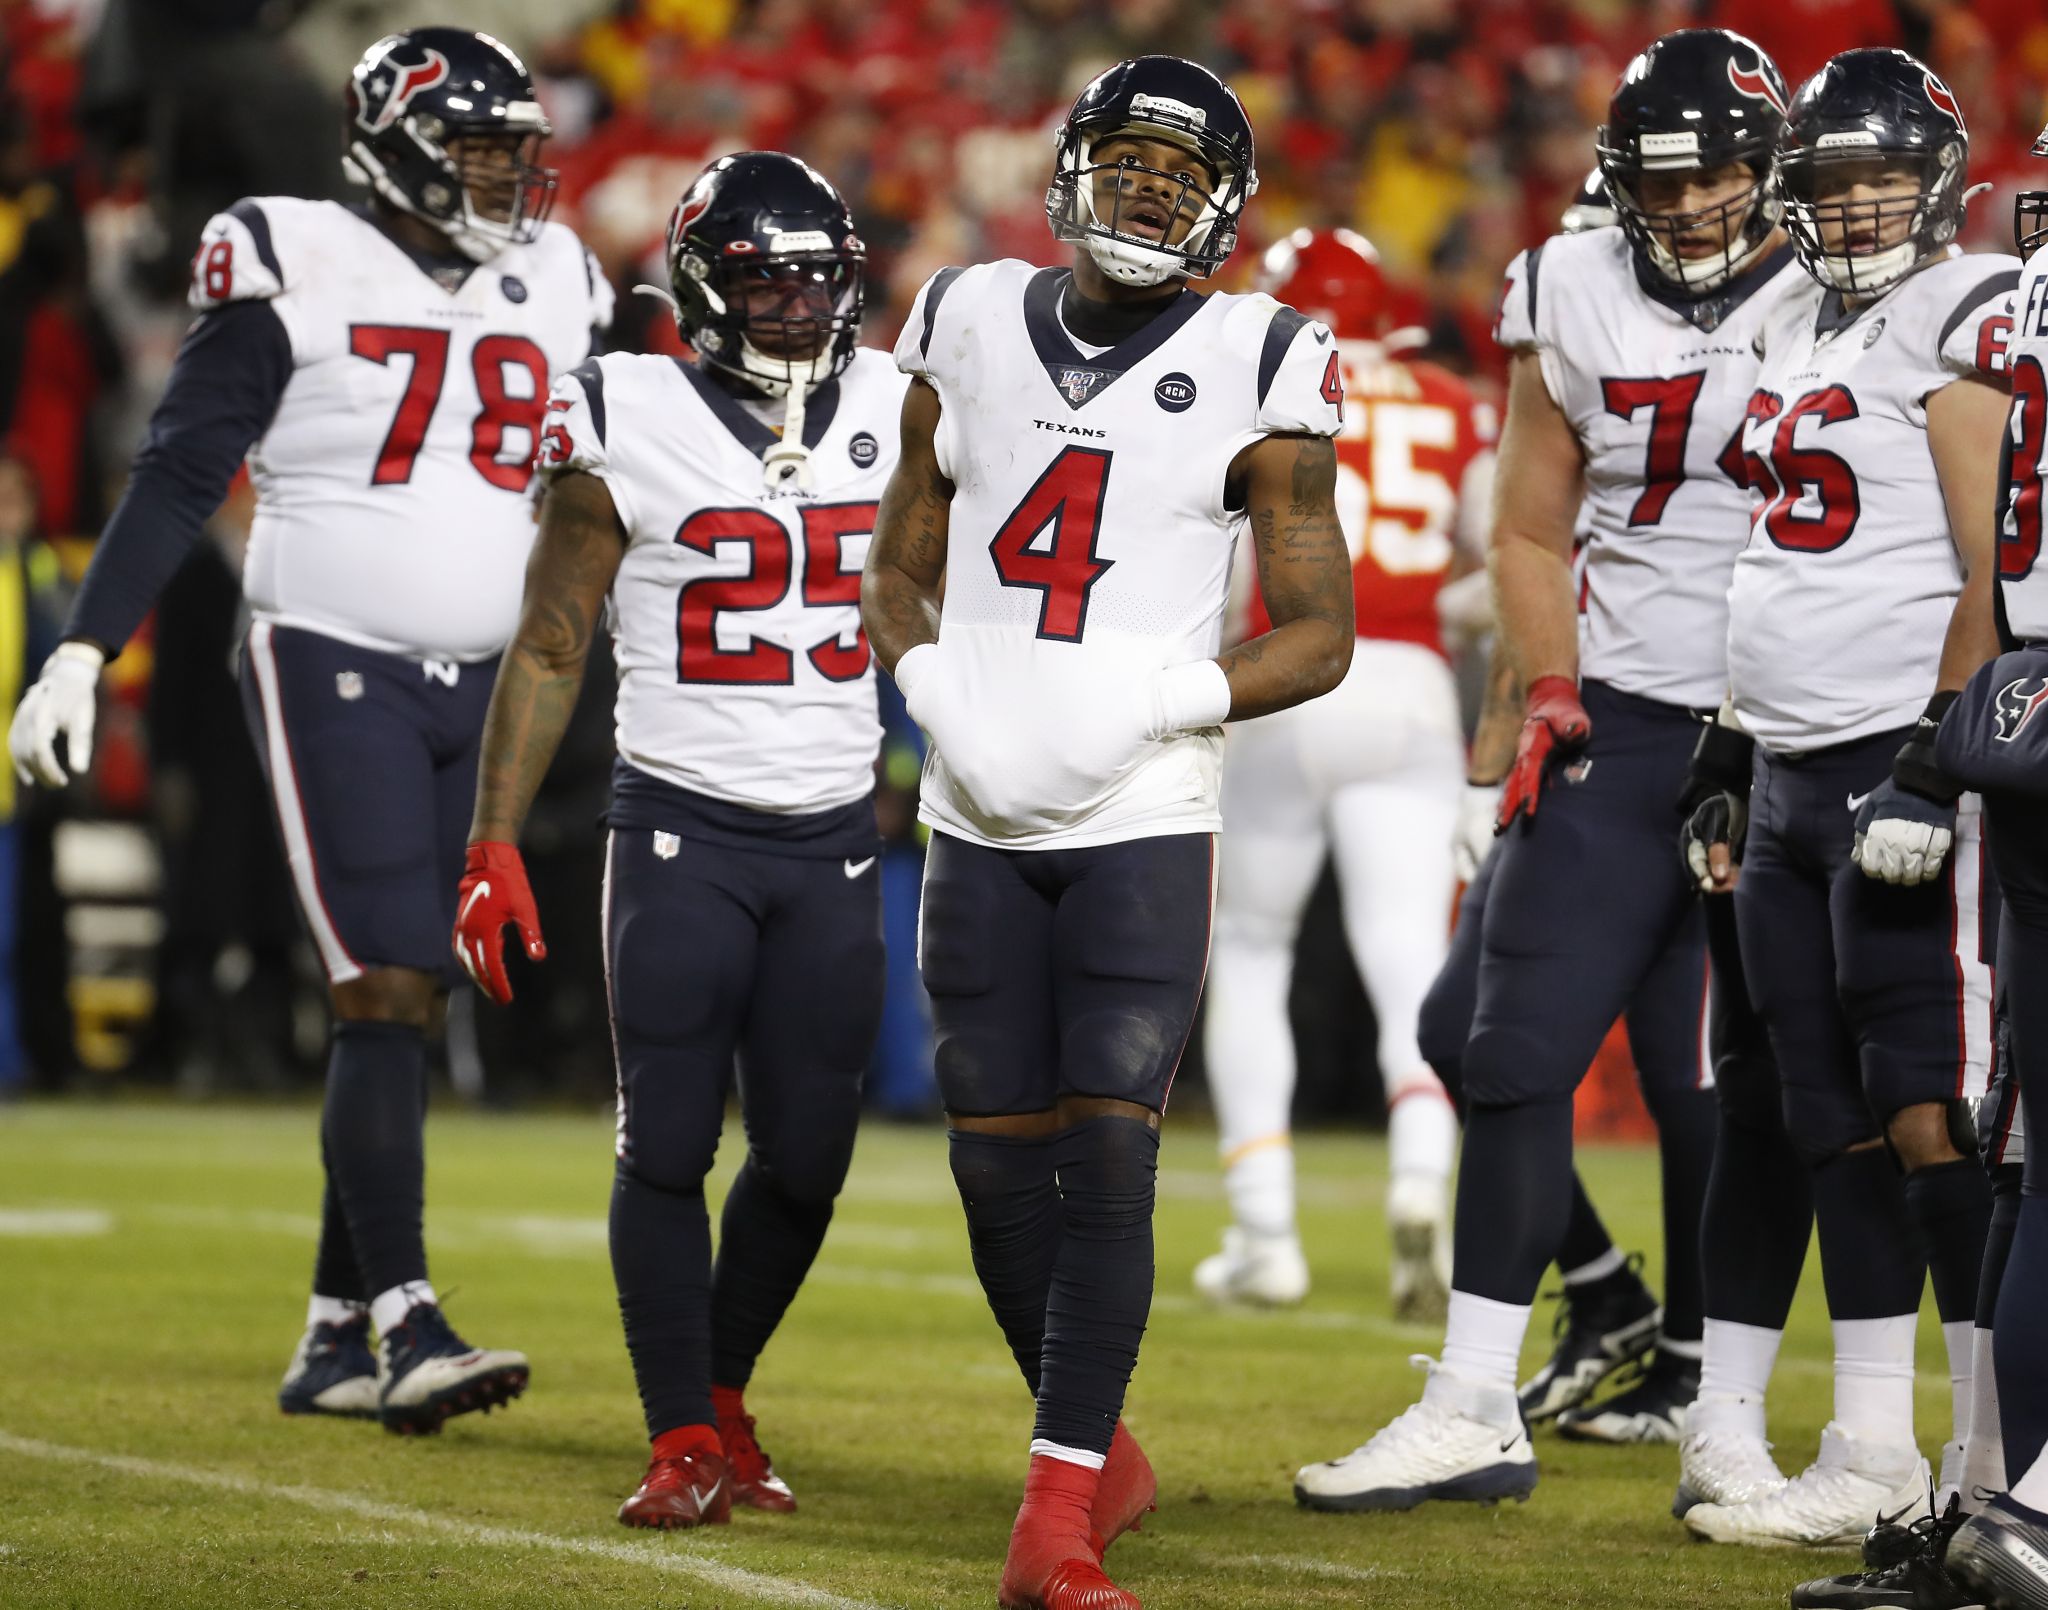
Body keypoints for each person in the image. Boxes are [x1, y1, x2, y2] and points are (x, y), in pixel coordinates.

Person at [8, 27, 611, 1433]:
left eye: (518, 150)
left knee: (417, 993)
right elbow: (182, 463)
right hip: (330, 648)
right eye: (477, 148)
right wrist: (86, 648)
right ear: (394, 145)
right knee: (384, 980)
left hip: (497, 677)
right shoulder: (285, 249)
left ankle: (333, 1331)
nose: (507, 176)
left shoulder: (561, 276)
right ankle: (408, 1320)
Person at [861, 55, 1352, 1610]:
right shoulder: (963, 314)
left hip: (1142, 810)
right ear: (1072, 167)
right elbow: (899, 558)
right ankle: (1097, 1453)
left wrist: (1167, 701)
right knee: (996, 1164)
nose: (1148, 189)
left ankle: (1054, 1514)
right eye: (1126, 160)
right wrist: (930, 677)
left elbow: (1320, 628)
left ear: (1222, 207)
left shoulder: (1265, 354)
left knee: (1111, 1153)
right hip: (977, 808)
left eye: (1178, 171)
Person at [1294, 28, 1807, 1508]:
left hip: (1780, 730)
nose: (1699, 202)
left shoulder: (1848, 296)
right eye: (1667, 177)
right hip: (1628, 712)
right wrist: (1538, 700)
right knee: (1492, 1039)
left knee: (1732, 1082)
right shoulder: (1569, 282)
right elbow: (1527, 526)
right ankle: (1495, 1392)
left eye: (1721, 172)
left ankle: (1725, 1394)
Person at [454, 150, 898, 1529]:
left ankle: (721, 1385)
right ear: (702, 282)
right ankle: (680, 1431)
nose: (791, 307)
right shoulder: (617, 406)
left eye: (815, 279)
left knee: (811, 1154)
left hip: (834, 830)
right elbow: (550, 634)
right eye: (762, 279)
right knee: (664, 1145)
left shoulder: (902, 403)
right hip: (680, 828)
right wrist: (494, 837)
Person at [1678, 47, 2015, 1557]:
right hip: (1794, 761)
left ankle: (1994, 1461)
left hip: (1897, 757)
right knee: (1831, 1120)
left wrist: (1940, 761)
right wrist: (1730, 737)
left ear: (1937, 181)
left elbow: (1993, 563)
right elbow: (1770, 558)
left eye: (1884, 176)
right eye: (1832, 178)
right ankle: (1874, 1443)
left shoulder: (1967, 308)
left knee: (1939, 1114)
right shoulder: (1787, 323)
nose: (1859, 205)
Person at [1195, 225, 1493, 1319]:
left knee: (1252, 951)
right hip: (1409, 685)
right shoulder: (1450, 402)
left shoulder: (1249, 402)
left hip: (1282, 677)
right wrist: (1420, 620)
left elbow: (1223, 569)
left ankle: (1263, 1231)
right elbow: (1501, 562)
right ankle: (1422, 1184)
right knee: (1408, 953)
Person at [1937, 118, 2048, 1610]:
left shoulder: (2012, 293)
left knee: (2031, 1157)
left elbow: (1965, 430)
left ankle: (1996, 1497)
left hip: (2029, 694)